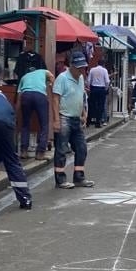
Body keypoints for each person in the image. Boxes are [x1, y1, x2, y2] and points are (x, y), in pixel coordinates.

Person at [52, 50, 94, 189]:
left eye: (83, 67)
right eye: (79, 67)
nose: (82, 70)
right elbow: (55, 99)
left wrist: (83, 112)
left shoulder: (81, 78)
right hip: (64, 117)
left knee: (81, 147)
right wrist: (56, 120)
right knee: (62, 148)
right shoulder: (62, 78)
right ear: (72, 66)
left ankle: (79, 177)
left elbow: (81, 96)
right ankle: (60, 179)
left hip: (76, 118)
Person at [19, 61, 54, 161]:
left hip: (26, 95)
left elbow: (19, 96)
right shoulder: (44, 71)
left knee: (26, 124)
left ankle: (24, 150)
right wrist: (51, 87)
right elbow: (52, 78)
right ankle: (40, 152)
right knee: (44, 124)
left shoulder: (24, 77)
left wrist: (16, 114)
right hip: (40, 96)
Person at [87, 58, 111, 127]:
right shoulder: (104, 70)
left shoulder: (92, 70)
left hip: (93, 88)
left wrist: (89, 87)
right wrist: (106, 88)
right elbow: (107, 81)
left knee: (92, 105)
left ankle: (88, 121)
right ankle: (98, 122)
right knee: (100, 106)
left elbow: (88, 80)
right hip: (101, 89)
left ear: (97, 63)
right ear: (103, 64)